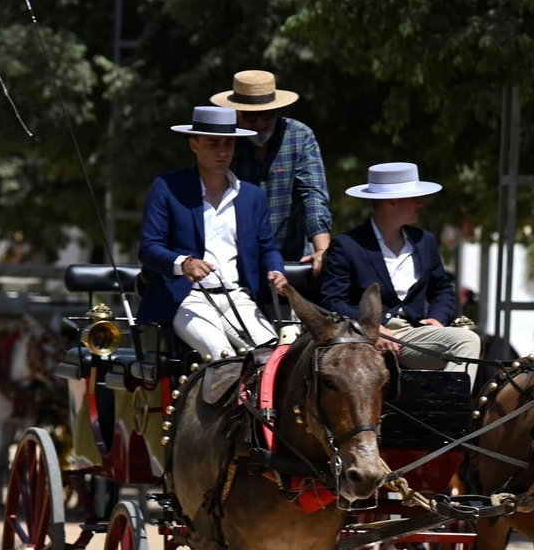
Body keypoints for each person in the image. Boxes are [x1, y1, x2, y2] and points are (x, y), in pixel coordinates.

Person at [138, 105, 288, 360]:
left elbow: (267, 247)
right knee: (224, 356)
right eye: (213, 144)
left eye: (228, 145)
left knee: (273, 358)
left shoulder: (252, 196)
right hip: (187, 298)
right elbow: (149, 248)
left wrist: (276, 270)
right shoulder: (167, 187)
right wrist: (183, 264)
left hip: (237, 296)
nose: (222, 152)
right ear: (194, 144)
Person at [320, 162, 481, 372]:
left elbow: (442, 290)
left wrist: (437, 318)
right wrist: (370, 328)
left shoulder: (425, 241)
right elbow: (332, 301)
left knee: (468, 341)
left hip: (413, 334)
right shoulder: (348, 245)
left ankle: (449, 404)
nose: (420, 203)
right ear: (391, 201)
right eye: (414, 197)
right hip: (362, 338)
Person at [213, 70, 334, 273]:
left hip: (294, 258)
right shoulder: (225, 142)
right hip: (238, 259)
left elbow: (313, 194)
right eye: (251, 116)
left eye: (268, 114)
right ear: (236, 113)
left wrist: (322, 249)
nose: (260, 123)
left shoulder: (299, 136)